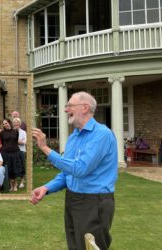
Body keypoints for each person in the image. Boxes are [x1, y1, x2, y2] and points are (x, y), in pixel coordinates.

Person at [31, 91, 118, 250]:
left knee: (91, 247)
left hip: (94, 201)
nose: (65, 110)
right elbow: (67, 172)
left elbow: (80, 169)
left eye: (69, 105)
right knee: (75, 246)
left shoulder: (102, 135)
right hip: (73, 198)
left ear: (84, 107)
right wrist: (47, 187)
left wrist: (45, 148)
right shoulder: (73, 137)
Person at [0, 118, 23, 192]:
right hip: (6, 153)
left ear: (9, 123)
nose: (5, 125)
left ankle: (15, 184)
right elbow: (2, 143)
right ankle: (11, 185)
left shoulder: (15, 131)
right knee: (9, 169)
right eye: (3, 124)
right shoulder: (2, 133)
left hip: (15, 152)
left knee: (15, 169)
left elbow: (16, 141)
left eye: (6, 123)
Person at [13, 117, 27, 189]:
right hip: (13, 151)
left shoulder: (23, 132)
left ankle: (22, 181)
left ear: (20, 123)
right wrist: (18, 141)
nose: (16, 124)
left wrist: (16, 141)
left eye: (17, 122)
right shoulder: (11, 131)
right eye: (14, 122)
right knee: (15, 166)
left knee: (22, 165)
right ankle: (15, 182)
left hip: (21, 151)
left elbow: (24, 142)